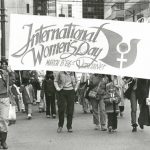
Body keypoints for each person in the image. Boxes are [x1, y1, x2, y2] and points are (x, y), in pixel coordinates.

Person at [0, 59, 15, 149]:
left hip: (4, 98)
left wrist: (11, 72)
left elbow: (13, 81)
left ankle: (3, 141)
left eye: (5, 64)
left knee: (4, 119)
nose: (4, 66)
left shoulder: (5, 73)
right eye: (3, 64)